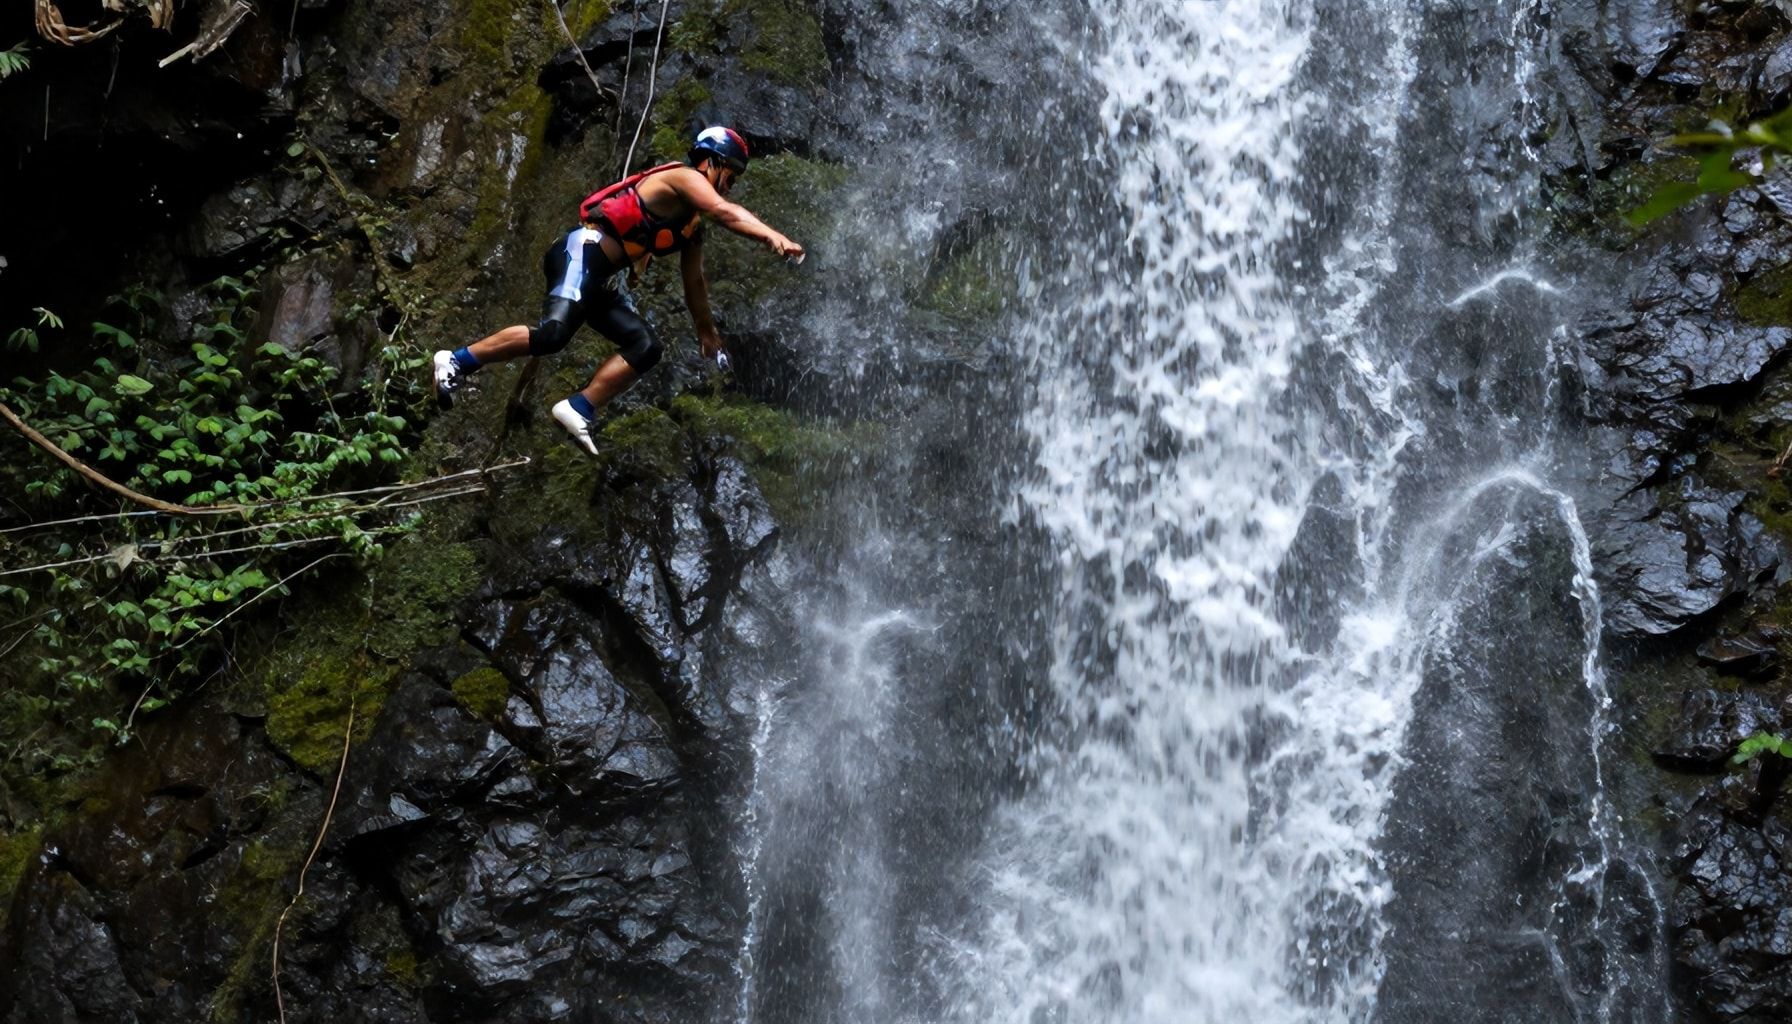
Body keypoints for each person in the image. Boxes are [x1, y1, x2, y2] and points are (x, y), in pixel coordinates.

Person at [430, 126, 804, 454]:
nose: (729, 184)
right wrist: (772, 236)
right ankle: (456, 361)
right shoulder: (682, 176)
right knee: (552, 334)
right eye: (730, 174)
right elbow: (724, 211)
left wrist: (706, 332)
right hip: (581, 253)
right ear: (711, 161)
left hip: (605, 281)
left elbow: (695, 282)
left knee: (646, 347)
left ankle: (579, 407)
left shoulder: (691, 227)